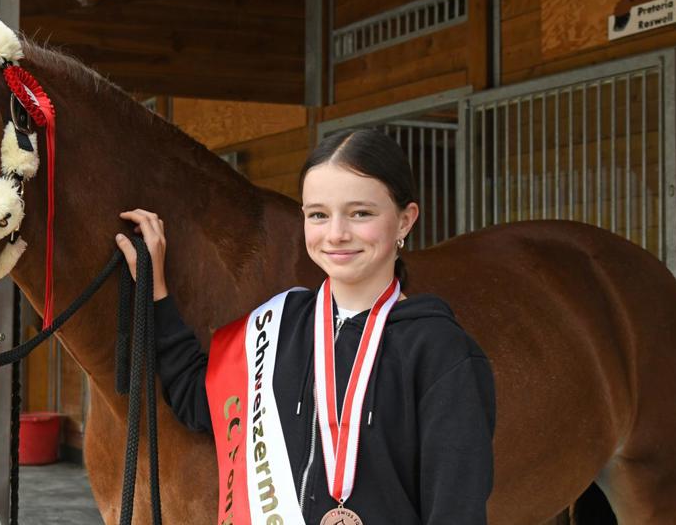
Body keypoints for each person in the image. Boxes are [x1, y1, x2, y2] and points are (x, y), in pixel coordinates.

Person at [116, 128, 495, 525]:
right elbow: (199, 401)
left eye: (360, 213)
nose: (336, 234)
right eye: (318, 214)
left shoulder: (442, 353)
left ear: (405, 221)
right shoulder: (279, 326)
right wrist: (156, 292)